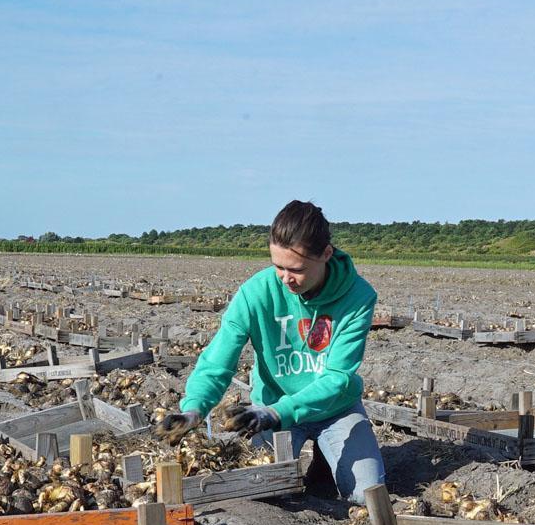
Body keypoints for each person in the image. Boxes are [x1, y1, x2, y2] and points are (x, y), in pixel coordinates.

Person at [154, 200, 386, 504]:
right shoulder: (256, 292)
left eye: (297, 269)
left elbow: (338, 379)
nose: (286, 278)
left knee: (367, 494)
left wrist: (277, 412)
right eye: (278, 266)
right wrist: (194, 408)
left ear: (326, 255)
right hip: (270, 411)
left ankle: (325, 464)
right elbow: (219, 359)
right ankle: (322, 464)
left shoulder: (358, 296)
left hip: (333, 410)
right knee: (259, 490)